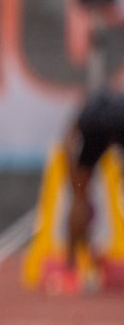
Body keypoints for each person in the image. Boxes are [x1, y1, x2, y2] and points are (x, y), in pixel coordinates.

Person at [62, 89, 124, 288]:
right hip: (117, 122)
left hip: (93, 127)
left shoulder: (87, 113)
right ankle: (79, 259)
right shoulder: (111, 107)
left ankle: (70, 264)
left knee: (78, 198)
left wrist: (76, 188)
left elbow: (67, 144)